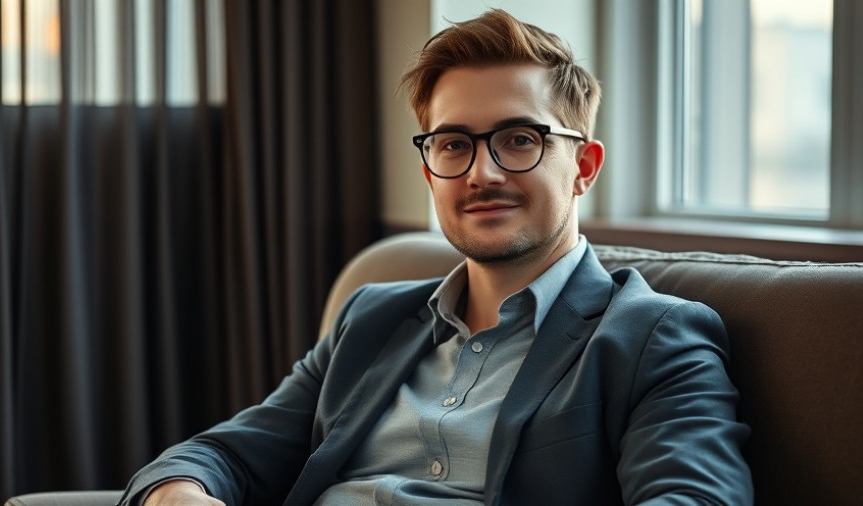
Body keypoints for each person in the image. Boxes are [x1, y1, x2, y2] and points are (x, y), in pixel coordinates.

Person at [119, 9, 752, 505]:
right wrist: (179, 493)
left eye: (518, 139)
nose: (481, 173)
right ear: (430, 172)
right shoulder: (367, 319)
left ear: (583, 167)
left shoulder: (654, 337)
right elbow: (227, 455)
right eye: (453, 144)